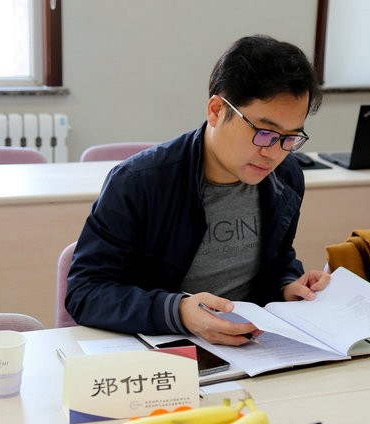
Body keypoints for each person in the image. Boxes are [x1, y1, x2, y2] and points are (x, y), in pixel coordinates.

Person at [66, 34, 329, 346]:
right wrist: (178, 312)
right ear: (216, 111)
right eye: (264, 133)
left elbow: (278, 257)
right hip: (164, 346)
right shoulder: (139, 182)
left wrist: (287, 284)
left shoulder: (286, 177)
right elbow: (85, 292)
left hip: (252, 346)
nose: (273, 153)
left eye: (290, 138)